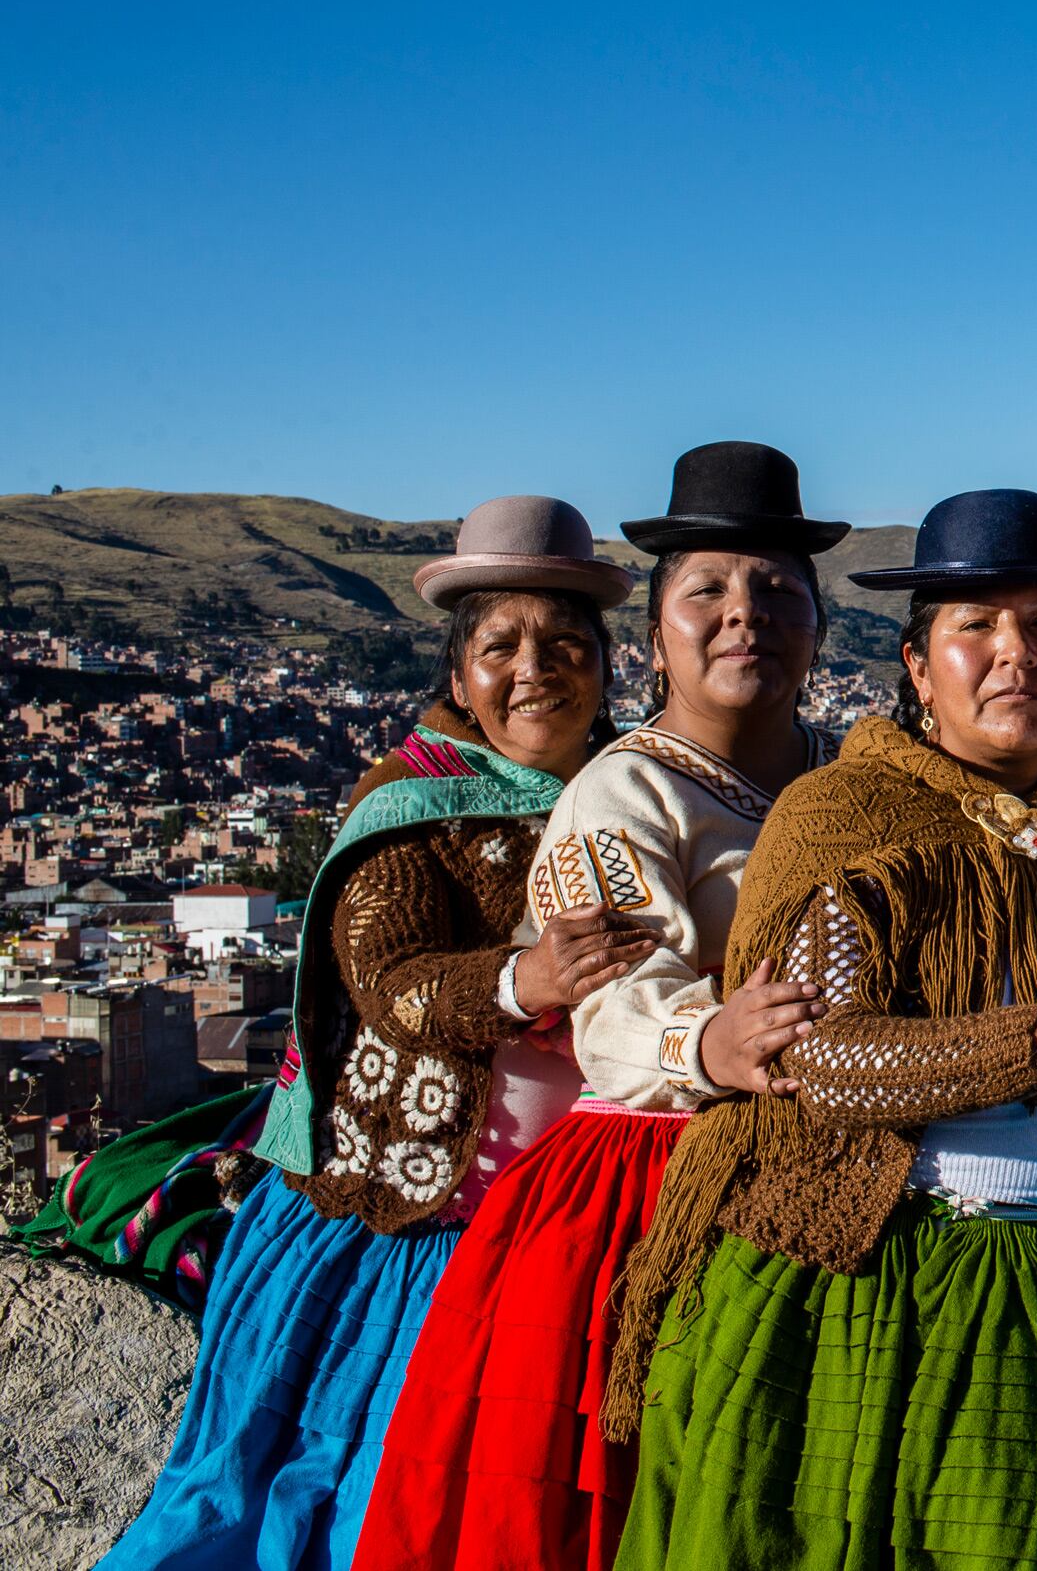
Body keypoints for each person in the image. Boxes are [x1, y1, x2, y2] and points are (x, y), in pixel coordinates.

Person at [602, 489, 1037, 1571]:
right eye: (974, 627)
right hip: (901, 1287)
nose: (1014, 652)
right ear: (919, 668)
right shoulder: (847, 820)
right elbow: (810, 1057)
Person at [102, 499, 650, 1571]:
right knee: (343, 1491)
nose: (535, 667)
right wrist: (520, 978)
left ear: (604, 668)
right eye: (501, 645)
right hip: (408, 1223)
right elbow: (389, 980)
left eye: (565, 645)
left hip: (572, 1226)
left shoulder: (640, 794)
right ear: (457, 675)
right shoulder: (411, 806)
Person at [356, 443, 849, 1571]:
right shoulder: (624, 794)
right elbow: (615, 1006)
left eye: (778, 591)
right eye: (708, 592)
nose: (745, 616)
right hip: (653, 1181)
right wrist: (710, 1038)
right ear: (658, 632)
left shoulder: (850, 772)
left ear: (819, 625)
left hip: (818, 1153)